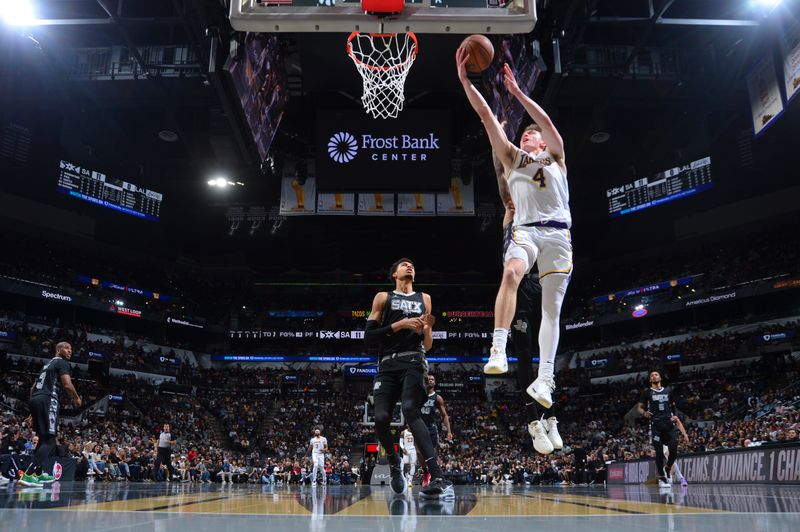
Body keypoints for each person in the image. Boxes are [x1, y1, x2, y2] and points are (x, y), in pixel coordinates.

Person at [457, 47, 572, 412]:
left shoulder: (555, 156)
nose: (527, 135)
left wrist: (520, 94)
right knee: (511, 272)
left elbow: (549, 127)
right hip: (526, 230)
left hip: (559, 235)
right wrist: (464, 81)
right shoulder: (511, 157)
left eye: (531, 133)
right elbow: (486, 115)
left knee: (551, 310)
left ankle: (547, 378)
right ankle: (498, 347)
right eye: (524, 133)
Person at [492, 139, 562, 455]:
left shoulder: (546, 199)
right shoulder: (513, 213)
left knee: (550, 349)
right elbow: (505, 183)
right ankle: (534, 421)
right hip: (520, 290)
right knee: (524, 358)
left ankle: (551, 416)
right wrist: (497, 151)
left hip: (542, 284)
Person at [364, 258, 454, 500]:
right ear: (394, 274)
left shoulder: (424, 298)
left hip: (414, 360)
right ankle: (394, 465)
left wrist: (426, 328)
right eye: (404, 265)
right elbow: (368, 337)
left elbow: (428, 344)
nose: (409, 266)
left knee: (410, 410)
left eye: (412, 264)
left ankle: (438, 477)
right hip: (386, 364)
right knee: (381, 418)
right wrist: (400, 324)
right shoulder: (383, 297)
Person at [22, 341, 82, 488]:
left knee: (42, 439)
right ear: (58, 350)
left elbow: (32, 388)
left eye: (71, 348)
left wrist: (32, 410)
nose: (70, 351)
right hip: (48, 400)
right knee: (50, 439)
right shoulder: (62, 363)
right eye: (67, 348)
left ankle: (37, 473)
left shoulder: (47, 365)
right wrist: (77, 398)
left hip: (36, 399)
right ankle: (28, 474)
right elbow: (67, 384)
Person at [637, 370, 681, 488]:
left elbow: (673, 405)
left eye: (656, 374)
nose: (654, 376)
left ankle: (667, 468)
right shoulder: (647, 392)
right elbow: (640, 408)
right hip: (656, 425)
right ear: (650, 380)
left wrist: (675, 415)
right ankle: (662, 477)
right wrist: (644, 413)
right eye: (652, 375)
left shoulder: (668, 391)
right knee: (659, 452)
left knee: (674, 450)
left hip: (669, 424)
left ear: (660, 377)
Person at [419, 374, 453, 487]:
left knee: (433, 454)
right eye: (428, 379)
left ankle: (436, 476)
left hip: (430, 427)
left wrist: (449, 431)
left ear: (435, 382)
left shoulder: (437, 398)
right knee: (419, 452)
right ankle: (425, 472)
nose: (430, 380)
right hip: (419, 426)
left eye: (432, 379)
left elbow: (444, 415)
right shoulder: (418, 396)